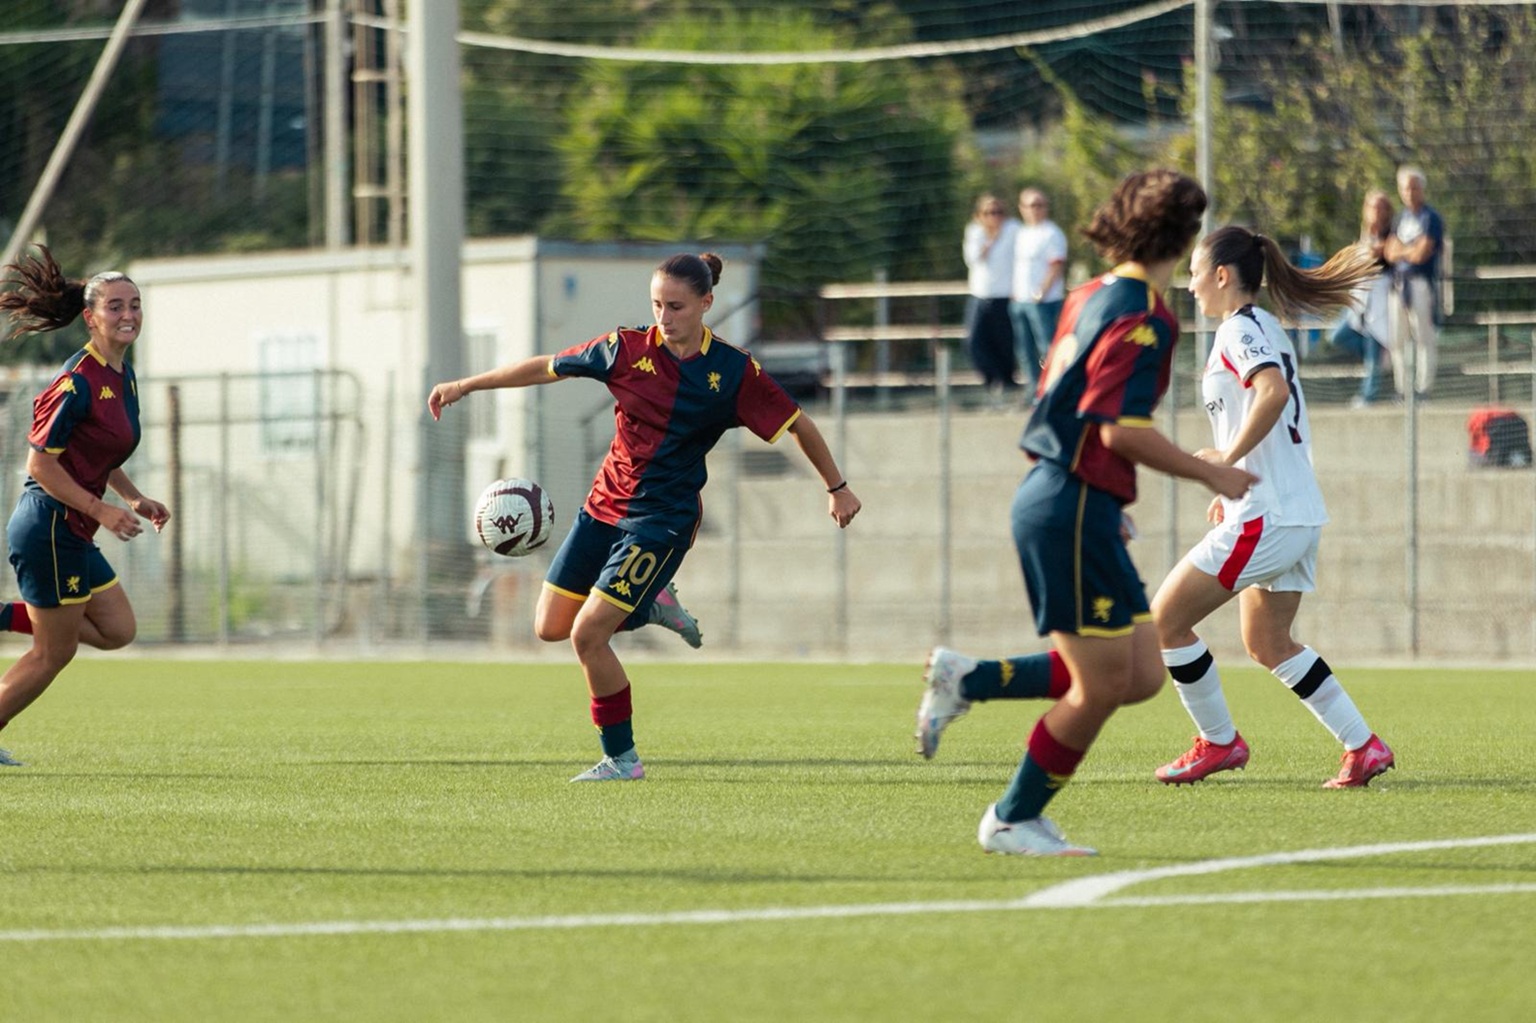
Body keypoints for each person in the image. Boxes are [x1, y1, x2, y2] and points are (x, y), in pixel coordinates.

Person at [913, 170, 1256, 856]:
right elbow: (1117, 430)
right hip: (1068, 501)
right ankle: (1013, 818)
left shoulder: (1085, 294)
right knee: (1099, 686)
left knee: (1142, 672)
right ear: (1182, 237)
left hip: (1072, 495)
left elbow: (1062, 405)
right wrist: (1211, 471)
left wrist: (1104, 494)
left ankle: (968, 678)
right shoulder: (1146, 315)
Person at [428, 252, 861, 782]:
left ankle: (622, 759)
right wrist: (466, 385)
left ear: (706, 303)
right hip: (603, 508)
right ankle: (652, 603)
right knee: (550, 628)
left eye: (676, 306)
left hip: (662, 521)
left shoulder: (732, 371)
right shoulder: (625, 349)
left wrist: (837, 488)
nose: (664, 317)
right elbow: (547, 366)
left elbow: (798, 424)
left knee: (588, 636)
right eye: (657, 304)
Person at [1151, 225, 1394, 789]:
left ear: (1221, 275)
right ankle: (1364, 747)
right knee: (1268, 643)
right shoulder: (1265, 327)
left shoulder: (1239, 330)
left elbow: (1273, 392)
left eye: (1195, 273)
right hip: (1294, 512)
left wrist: (1225, 462)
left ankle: (1218, 742)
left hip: (1268, 516)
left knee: (1165, 621)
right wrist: (1228, 484)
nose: (1190, 285)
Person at [0, 246, 171, 767]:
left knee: (118, 631)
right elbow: (40, 464)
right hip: (49, 526)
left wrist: (133, 497)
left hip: (72, 529)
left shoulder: (123, 374)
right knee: (54, 653)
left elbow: (99, 452)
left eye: (134, 305)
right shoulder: (75, 381)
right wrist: (102, 512)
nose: (128, 314)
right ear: (90, 317)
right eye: (115, 306)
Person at [1382, 166, 1445, 399]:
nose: (1409, 193)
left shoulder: (1430, 218)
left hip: (1419, 283)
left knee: (1423, 337)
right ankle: (1403, 388)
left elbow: (1422, 253)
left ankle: (1423, 387)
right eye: (1405, 188)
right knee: (1397, 339)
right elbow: (1389, 252)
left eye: (1414, 188)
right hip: (1398, 285)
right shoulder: (1400, 218)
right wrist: (1408, 250)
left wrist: (1404, 251)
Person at [1329, 191, 1395, 406]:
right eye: (1372, 207)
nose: (1376, 212)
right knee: (1337, 336)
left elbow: (1376, 256)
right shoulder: (1366, 233)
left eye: (1380, 207)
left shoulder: (1391, 233)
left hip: (1379, 302)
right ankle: (1382, 360)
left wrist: (1371, 251)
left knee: (1373, 346)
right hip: (1359, 299)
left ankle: (1369, 395)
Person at [961, 194, 1020, 404]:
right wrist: (990, 239)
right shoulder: (974, 231)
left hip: (1005, 295)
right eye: (988, 213)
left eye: (998, 212)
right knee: (974, 341)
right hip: (980, 294)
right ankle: (991, 378)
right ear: (980, 215)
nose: (994, 217)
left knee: (1005, 342)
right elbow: (972, 259)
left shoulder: (1013, 229)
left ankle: (1007, 381)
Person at [1009, 188, 1069, 393]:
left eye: (1039, 205)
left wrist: (1041, 293)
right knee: (1024, 350)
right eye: (1030, 205)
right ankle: (1034, 392)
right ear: (1021, 208)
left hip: (1044, 302)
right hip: (1020, 301)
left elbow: (1056, 266)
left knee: (1047, 348)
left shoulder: (1051, 233)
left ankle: (1053, 390)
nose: (1035, 209)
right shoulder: (1022, 233)